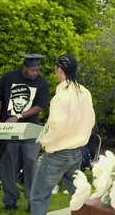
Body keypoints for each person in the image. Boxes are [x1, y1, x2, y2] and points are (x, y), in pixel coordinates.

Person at [30, 54, 95, 215]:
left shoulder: (61, 97)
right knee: (79, 196)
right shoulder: (85, 93)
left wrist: (44, 141)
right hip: (76, 153)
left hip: (57, 154)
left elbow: (57, 127)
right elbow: (91, 120)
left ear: (59, 71)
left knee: (38, 197)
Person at [0, 54, 50, 211]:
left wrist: (19, 115)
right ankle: (10, 200)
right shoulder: (9, 77)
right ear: (25, 67)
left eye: (38, 70)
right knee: (8, 163)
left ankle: (32, 200)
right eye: (33, 70)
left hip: (30, 129)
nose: (35, 73)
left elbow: (41, 106)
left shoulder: (42, 83)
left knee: (31, 162)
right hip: (8, 129)